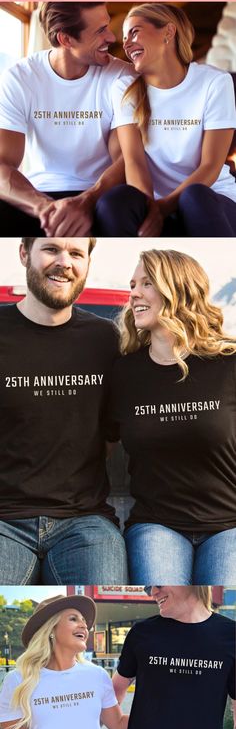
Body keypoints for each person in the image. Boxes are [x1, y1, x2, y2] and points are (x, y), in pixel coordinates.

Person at [0, 235, 128, 584]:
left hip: (85, 521)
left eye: (76, 253)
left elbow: (110, 436)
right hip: (4, 520)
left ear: (87, 262)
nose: (65, 262)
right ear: (25, 252)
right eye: (51, 249)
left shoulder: (107, 339)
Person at [110, 248, 236, 583]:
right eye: (133, 284)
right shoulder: (124, 374)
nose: (134, 293)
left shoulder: (229, 363)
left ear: (178, 288)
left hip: (229, 524)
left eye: (146, 283)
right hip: (156, 524)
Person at [0, 1, 152, 237]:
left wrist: (86, 202)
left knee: (117, 207)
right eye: (100, 31)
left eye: (107, 25)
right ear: (66, 40)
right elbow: (2, 165)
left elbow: (125, 158)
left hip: (101, 195)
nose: (111, 37)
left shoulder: (122, 76)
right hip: (40, 197)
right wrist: (47, 208)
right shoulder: (19, 79)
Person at [97, 2, 236, 236]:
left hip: (213, 198)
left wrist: (162, 209)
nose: (127, 43)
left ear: (168, 32)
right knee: (114, 202)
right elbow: (134, 161)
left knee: (195, 196)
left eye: (134, 31)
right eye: (124, 37)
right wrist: (150, 208)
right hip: (154, 202)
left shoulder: (215, 82)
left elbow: (211, 165)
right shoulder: (124, 87)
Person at [112, 585, 236, 729]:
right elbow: (114, 691)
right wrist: (119, 723)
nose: (153, 592)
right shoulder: (142, 633)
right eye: (148, 588)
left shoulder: (231, 636)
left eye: (159, 584)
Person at [0, 593, 128, 729]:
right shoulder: (19, 680)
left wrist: (162, 713)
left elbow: (117, 723)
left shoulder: (97, 675)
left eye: (84, 621)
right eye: (73, 619)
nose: (84, 625)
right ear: (51, 629)